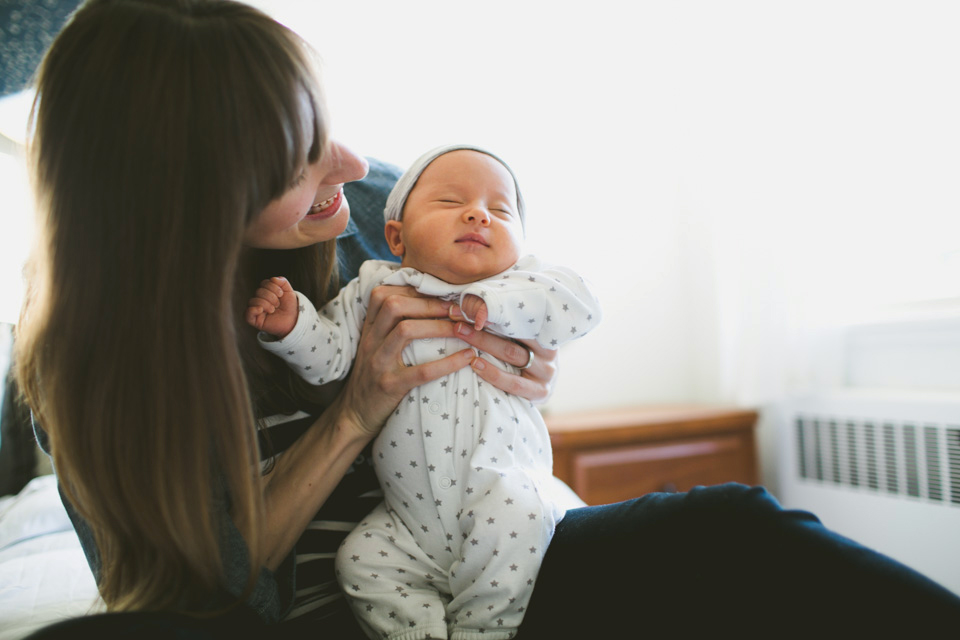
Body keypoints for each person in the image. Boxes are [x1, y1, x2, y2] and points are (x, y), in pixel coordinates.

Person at [13, 1, 960, 638]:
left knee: (728, 535)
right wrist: (356, 410)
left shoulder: (374, 202)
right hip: (332, 608)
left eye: (325, 121)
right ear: (187, 208)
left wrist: (515, 361)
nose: (348, 162)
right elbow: (203, 597)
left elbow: (522, 296)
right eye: (297, 159)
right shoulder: (88, 364)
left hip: (487, 541)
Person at [246, 144, 601, 639]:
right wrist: (294, 326)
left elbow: (577, 305)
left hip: (497, 488)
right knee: (361, 560)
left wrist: (501, 308)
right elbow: (329, 359)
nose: (479, 214)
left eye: (500, 211)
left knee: (516, 521)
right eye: (451, 203)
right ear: (396, 237)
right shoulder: (373, 286)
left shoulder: (519, 282)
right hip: (407, 522)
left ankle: (484, 631)